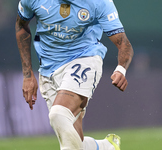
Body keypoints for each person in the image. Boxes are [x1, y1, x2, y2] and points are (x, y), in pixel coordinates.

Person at [15, 0, 134, 150]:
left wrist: (121, 69)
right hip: (48, 69)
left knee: (58, 115)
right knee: (75, 140)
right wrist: (27, 75)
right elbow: (21, 25)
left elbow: (124, 43)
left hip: (85, 59)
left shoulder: (99, 2)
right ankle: (105, 147)